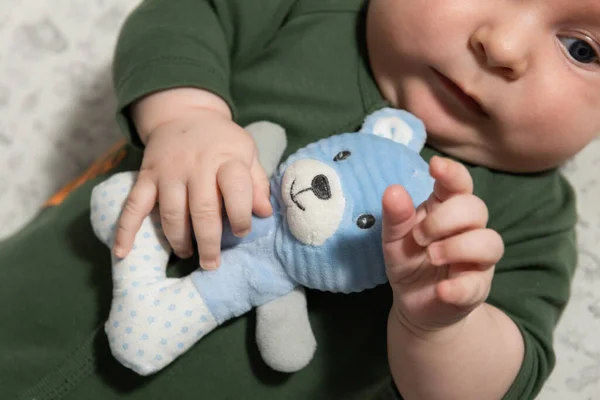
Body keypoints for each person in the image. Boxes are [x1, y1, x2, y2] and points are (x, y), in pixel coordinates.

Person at [1, 0, 598, 399]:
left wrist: (440, 325)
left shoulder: (532, 216)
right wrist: (186, 114)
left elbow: (505, 381)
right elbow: (183, 13)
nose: (503, 46)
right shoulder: (313, 11)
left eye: (582, 50)